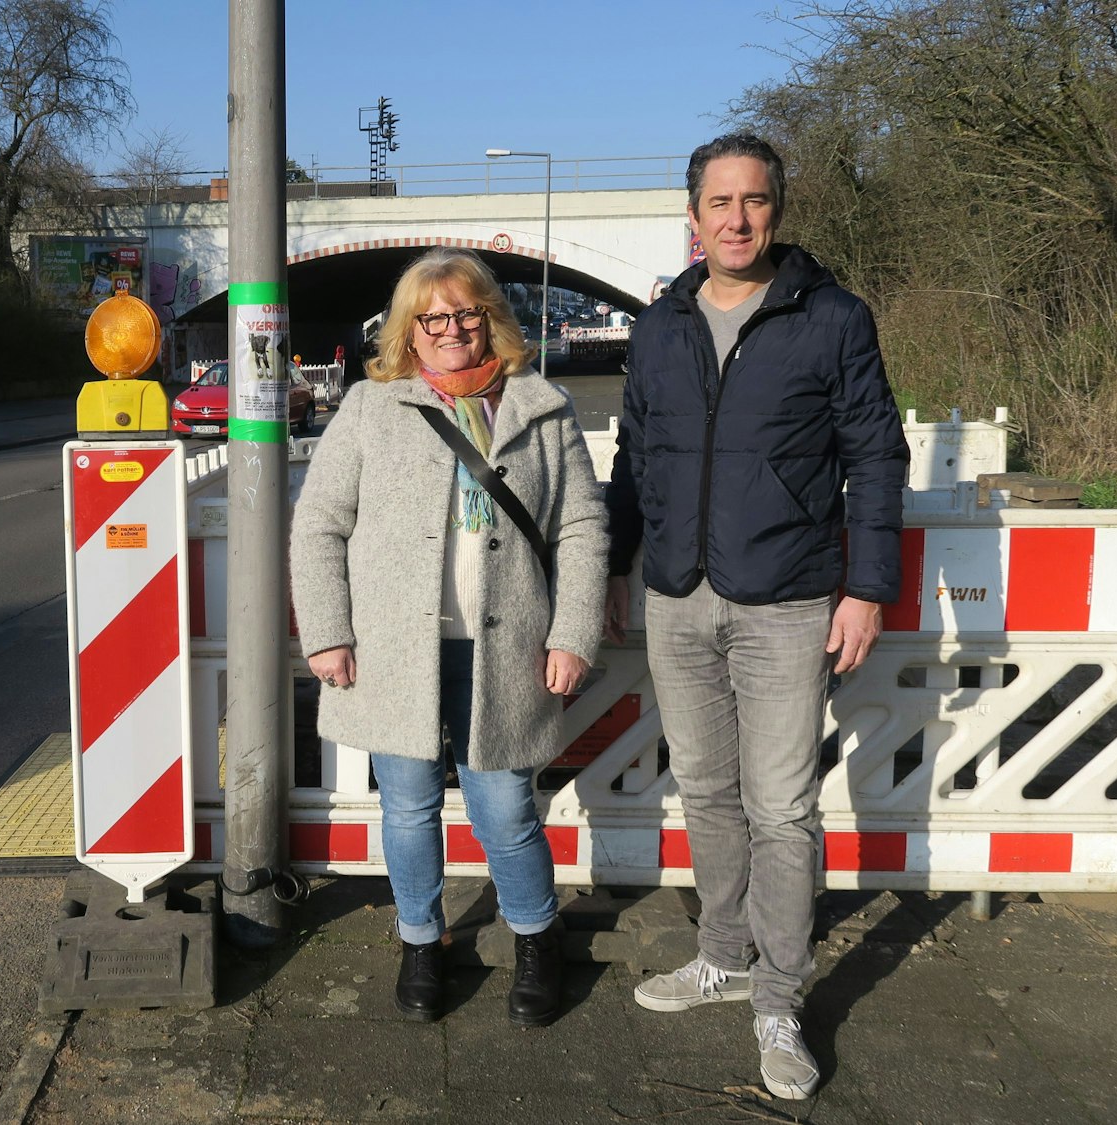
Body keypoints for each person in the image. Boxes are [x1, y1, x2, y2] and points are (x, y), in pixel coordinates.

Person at [602, 134, 908, 1098]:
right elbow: (636, 456)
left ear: (778, 208)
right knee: (705, 791)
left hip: (787, 598)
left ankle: (779, 996)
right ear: (692, 215)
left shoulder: (832, 317)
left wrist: (868, 587)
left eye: (755, 201)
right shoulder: (660, 325)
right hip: (676, 594)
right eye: (720, 202)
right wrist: (613, 564)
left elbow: (876, 457)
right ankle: (722, 954)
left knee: (781, 807)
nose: (737, 219)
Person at [290, 247, 609, 1027]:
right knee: (408, 809)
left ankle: (536, 937)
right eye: (432, 318)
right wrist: (327, 631)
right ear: (408, 330)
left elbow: (581, 526)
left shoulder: (541, 408)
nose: (451, 329)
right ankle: (421, 941)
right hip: (396, 649)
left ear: (491, 318)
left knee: (506, 811)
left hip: (506, 648)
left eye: (466, 313)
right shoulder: (370, 408)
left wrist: (573, 632)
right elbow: (320, 522)